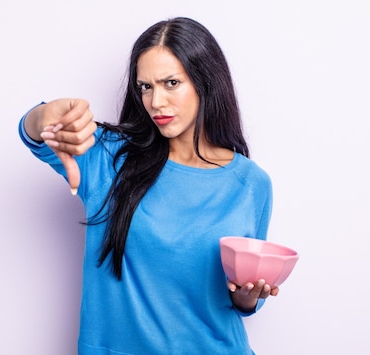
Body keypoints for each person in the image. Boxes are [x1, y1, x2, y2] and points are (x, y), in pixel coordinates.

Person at [19, 17, 278, 354]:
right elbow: (35, 134)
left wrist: (246, 297)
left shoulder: (251, 184)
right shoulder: (109, 157)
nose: (156, 102)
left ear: (206, 83)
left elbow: (241, 298)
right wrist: (45, 115)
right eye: (145, 86)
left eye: (171, 83)